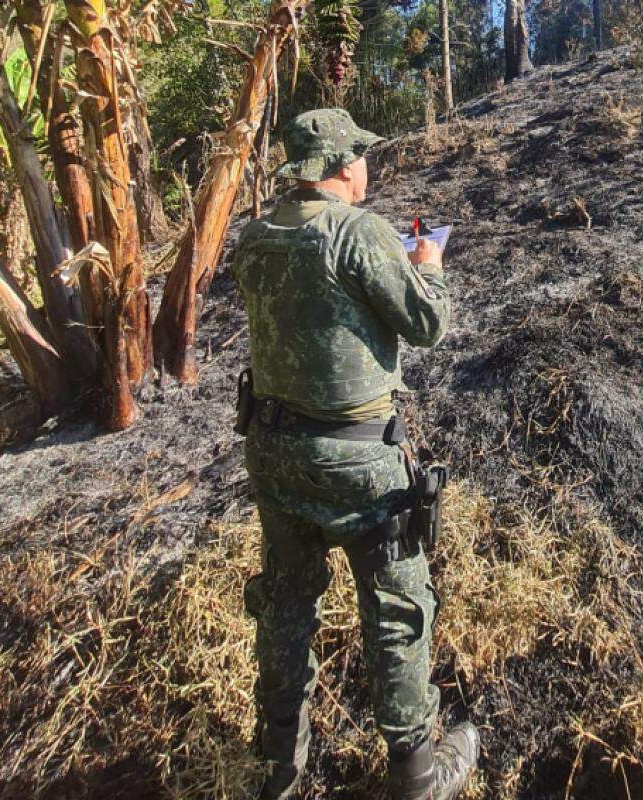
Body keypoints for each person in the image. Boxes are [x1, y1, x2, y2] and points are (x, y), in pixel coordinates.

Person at [231, 108, 478, 800]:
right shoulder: (360, 233)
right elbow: (426, 324)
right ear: (343, 164)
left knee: (285, 607)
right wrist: (427, 266)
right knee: (399, 608)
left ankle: (276, 770)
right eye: (361, 156)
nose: (367, 167)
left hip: (273, 454)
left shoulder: (254, 239)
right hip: (358, 464)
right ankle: (417, 775)